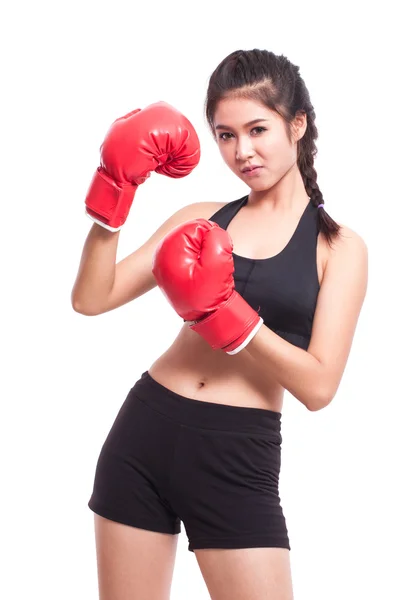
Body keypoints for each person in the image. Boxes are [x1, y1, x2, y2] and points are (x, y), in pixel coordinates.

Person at [71, 48, 368, 600]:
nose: (243, 151)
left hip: (236, 455)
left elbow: (320, 387)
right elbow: (92, 298)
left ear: (296, 124)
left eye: (258, 129)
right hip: (143, 434)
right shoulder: (201, 218)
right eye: (225, 135)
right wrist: (115, 191)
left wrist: (227, 314)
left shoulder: (338, 248)